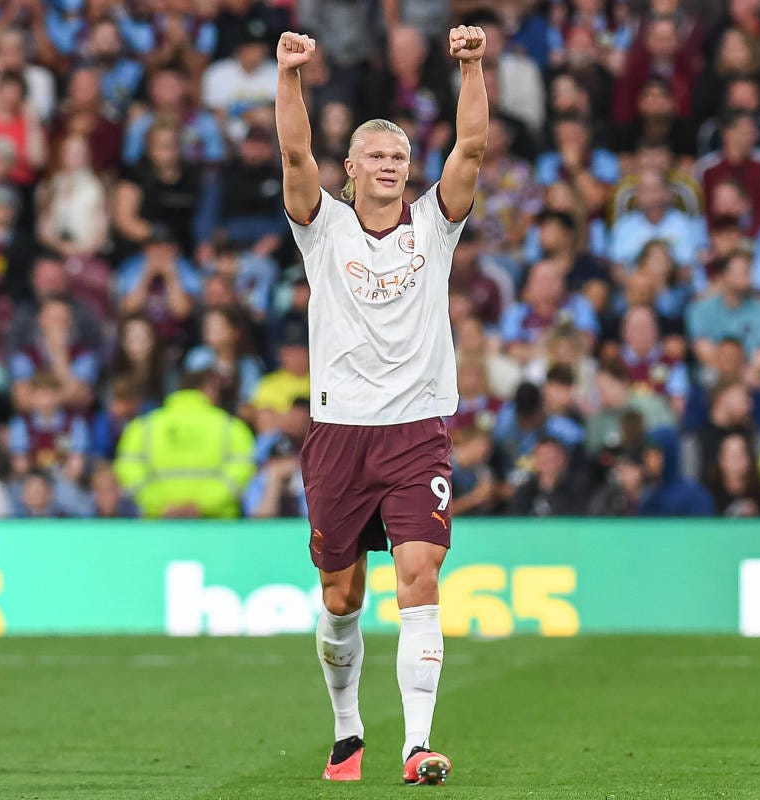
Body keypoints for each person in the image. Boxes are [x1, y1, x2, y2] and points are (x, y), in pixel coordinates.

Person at [275, 25, 488, 785]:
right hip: (339, 431)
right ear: (352, 168)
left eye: (400, 156)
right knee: (341, 597)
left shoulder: (435, 223)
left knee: (420, 579)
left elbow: (470, 150)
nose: (392, 166)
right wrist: (290, 78)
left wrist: (470, 65)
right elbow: (294, 155)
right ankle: (346, 730)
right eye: (378, 156)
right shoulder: (324, 228)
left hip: (417, 431)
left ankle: (417, 745)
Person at [113, 363, 256, 518]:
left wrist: (162, 504)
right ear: (207, 389)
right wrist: (203, 505)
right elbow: (242, 471)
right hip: (217, 527)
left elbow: (129, 471)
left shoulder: (143, 426)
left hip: (159, 526)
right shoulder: (230, 426)